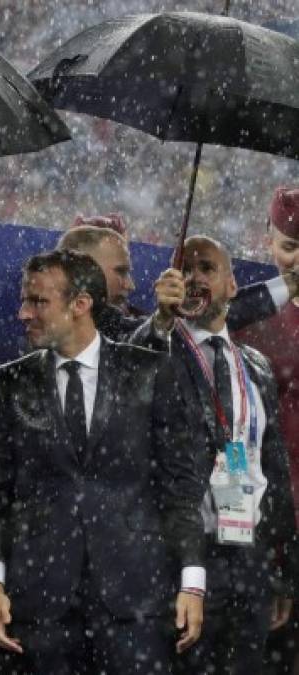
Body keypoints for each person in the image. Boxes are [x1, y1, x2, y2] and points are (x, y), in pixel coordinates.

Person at [0, 249, 205, 674]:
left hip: (136, 599)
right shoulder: (9, 381)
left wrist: (193, 582)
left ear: (81, 304)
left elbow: (180, 486)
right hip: (40, 603)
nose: (24, 313)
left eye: (38, 301)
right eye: (26, 300)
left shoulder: (150, 371)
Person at [132, 235, 299, 674]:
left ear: (231, 285)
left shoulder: (255, 366)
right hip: (184, 560)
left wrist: (284, 568)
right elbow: (131, 366)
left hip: (250, 554)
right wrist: (160, 322)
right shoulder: (162, 353)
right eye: (183, 269)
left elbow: (273, 470)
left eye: (205, 268)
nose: (193, 278)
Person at [234, 187, 299, 675]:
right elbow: (230, 441)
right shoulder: (248, 322)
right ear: (268, 242)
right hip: (272, 524)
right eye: (290, 246)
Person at [57, 222, 297, 343]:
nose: (129, 285)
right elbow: (181, 336)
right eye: (120, 272)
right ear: (85, 270)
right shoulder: (86, 332)